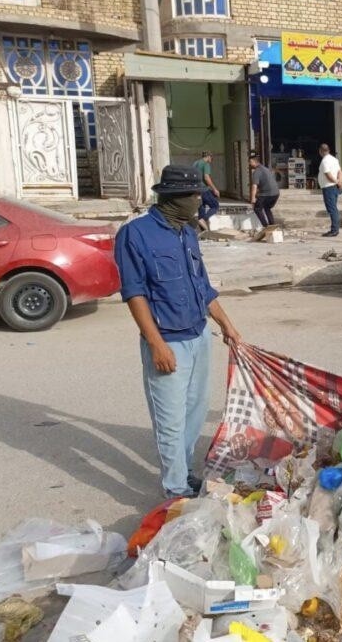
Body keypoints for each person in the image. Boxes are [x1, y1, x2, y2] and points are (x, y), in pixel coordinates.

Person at [115, 164, 242, 498]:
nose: (200, 199)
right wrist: (156, 344)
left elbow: (202, 285)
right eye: (194, 194)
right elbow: (134, 292)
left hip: (198, 335)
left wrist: (226, 324)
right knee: (170, 420)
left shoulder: (187, 231)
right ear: (174, 197)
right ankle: (175, 489)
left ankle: (184, 474)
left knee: (194, 413)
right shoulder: (136, 234)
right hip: (168, 340)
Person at [317, 143, 342, 237]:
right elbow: (340, 172)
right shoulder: (334, 159)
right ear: (328, 150)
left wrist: (336, 181)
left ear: (321, 151)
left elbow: (328, 175)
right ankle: (335, 228)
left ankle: (334, 230)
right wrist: (340, 181)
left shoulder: (325, 161)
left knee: (332, 209)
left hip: (328, 187)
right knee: (334, 208)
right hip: (334, 187)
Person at [248, 152, 279, 227]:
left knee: (257, 208)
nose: (249, 164)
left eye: (250, 162)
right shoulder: (266, 169)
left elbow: (254, 186)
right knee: (267, 207)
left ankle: (265, 226)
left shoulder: (256, 172)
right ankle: (272, 225)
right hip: (276, 194)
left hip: (267, 194)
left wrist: (252, 199)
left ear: (253, 161)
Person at [193, 152, 220, 231]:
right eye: (212, 158)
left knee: (202, 209)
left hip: (196, 190)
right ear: (208, 157)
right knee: (215, 205)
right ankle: (204, 219)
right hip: (204, 189)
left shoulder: (195, 163)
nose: (211, 160)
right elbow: (206, 177)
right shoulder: (206, 164)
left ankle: (204, 232)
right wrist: (214, 189)